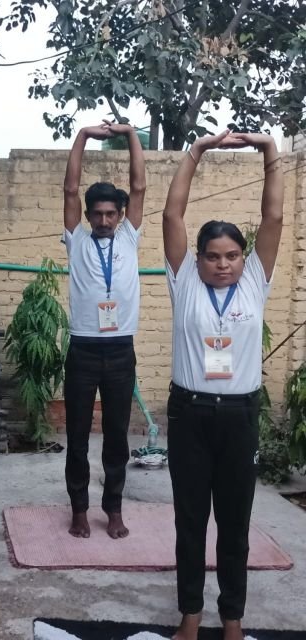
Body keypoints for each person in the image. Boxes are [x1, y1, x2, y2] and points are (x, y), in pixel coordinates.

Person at [162, 131, 283, 640]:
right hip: (189, 414)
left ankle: (232, 620)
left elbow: (274, 217)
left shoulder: (255, 279)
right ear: (199, 258)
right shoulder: (184, 278)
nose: (223, 263)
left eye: (232, 255)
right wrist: (197, 152)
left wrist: (270, 152)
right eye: (213, 255)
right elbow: (172, 216)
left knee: (234, 526)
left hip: (238, 417)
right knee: (191, 524)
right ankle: (190, 618)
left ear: (243, 257)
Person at [62, 121, 146, 539]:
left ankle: (112, 508)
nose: (103, 219)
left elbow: (139, 184)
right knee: (76, 434)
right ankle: (79, 507)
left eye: (111, 213)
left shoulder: (130, 238)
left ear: (121, 215)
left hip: (119, 352)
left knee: (116, 436)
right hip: (82, 351)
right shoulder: (76, 239)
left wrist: (130, 134)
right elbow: (70, 189)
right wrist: (83, 134)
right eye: (97, 213)